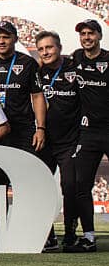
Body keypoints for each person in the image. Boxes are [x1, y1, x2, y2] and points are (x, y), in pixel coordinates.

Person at [34, 30, 80, 252]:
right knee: (41, 187)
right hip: (44, 140)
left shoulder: (74, 67)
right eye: (41, 49)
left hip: (70, 140)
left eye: (49, 47)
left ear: (60, 47)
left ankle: (71, 234)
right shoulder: (36, 73)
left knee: (70, 187)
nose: (45, 52)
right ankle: (47, 235)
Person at [0, 21, 46, 156]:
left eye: (6, 37)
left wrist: (40, 128)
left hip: (23, 129)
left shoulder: (27, 63)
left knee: (23, 173)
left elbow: (38, 96)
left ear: (15, 39)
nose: (1, 41)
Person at [71, 19, 109, 253]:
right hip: (88, 133)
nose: (86, 37)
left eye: (91, 33)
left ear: (99, 36)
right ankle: (88, 237)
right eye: (83, 34)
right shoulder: (76, 58)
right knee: (81, 185)